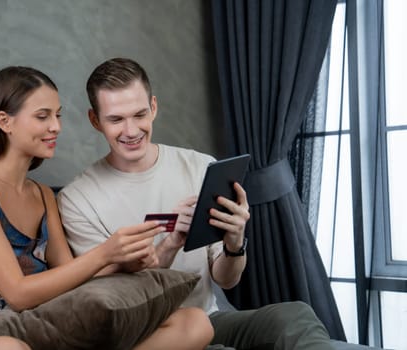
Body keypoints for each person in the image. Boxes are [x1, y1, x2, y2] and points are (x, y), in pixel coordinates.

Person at [57, 57, 336, 350]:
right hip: (148, 335)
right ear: (94, 120)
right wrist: (169, 245)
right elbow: (112, 302)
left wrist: (234, 241)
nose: (131, 130)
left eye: (139, 114)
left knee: (294, 316)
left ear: (153, 107)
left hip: (208, 319)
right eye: (116, 119)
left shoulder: (200, 167)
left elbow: (226, 280)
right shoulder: (77, 200)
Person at [0, 66, 214, 350]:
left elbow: (73, 279)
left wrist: (120, 262)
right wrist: (105, 253)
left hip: (37, 322)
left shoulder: (43, 196)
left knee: (194, 322)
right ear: (5, 122)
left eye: (58, 115)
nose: (56, 126)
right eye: (43, 116)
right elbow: (17, 293)